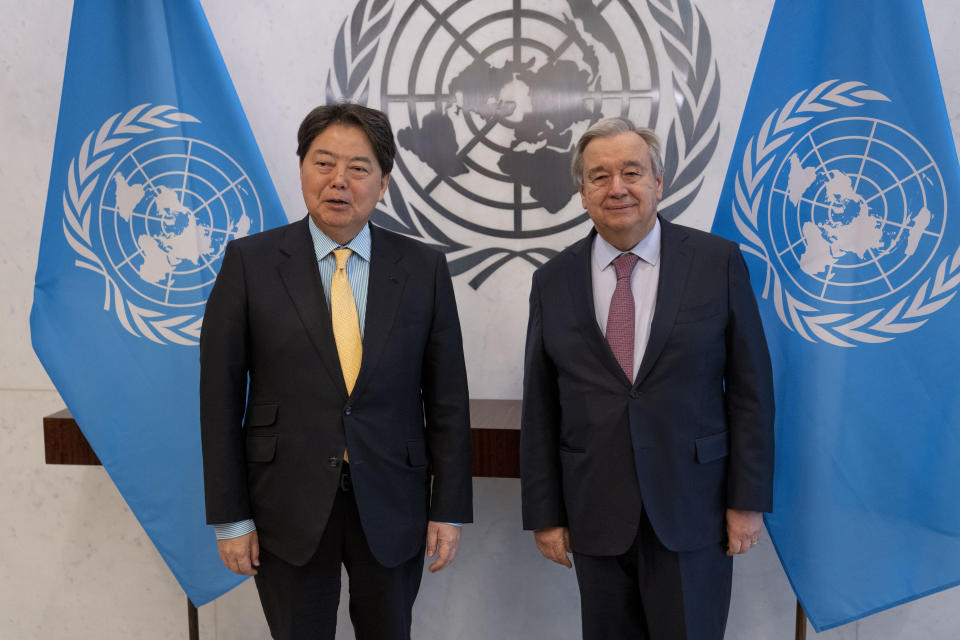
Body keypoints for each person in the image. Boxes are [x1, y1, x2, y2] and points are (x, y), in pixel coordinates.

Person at [200, 103, 473, 640]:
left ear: (384, 181)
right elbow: (219, 397)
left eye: (358, 167)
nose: (338, 182)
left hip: (394, 498)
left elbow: (447, 400)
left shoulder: (422, 269)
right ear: (302, 168)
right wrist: (231, 518)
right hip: (285, 504)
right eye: (323, 163)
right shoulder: (250, 264)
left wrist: (450, 509)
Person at [520, 117, 774, 640]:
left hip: (694, 509)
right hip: (596, 513)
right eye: (599, 176)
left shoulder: (716, 262)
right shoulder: (553, 281)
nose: (617, 188)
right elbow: (541, 406)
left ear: (659, 183)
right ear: (582, 192)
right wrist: (545, 515)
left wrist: (746, 501)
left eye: (631, 172)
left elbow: (751, 392)